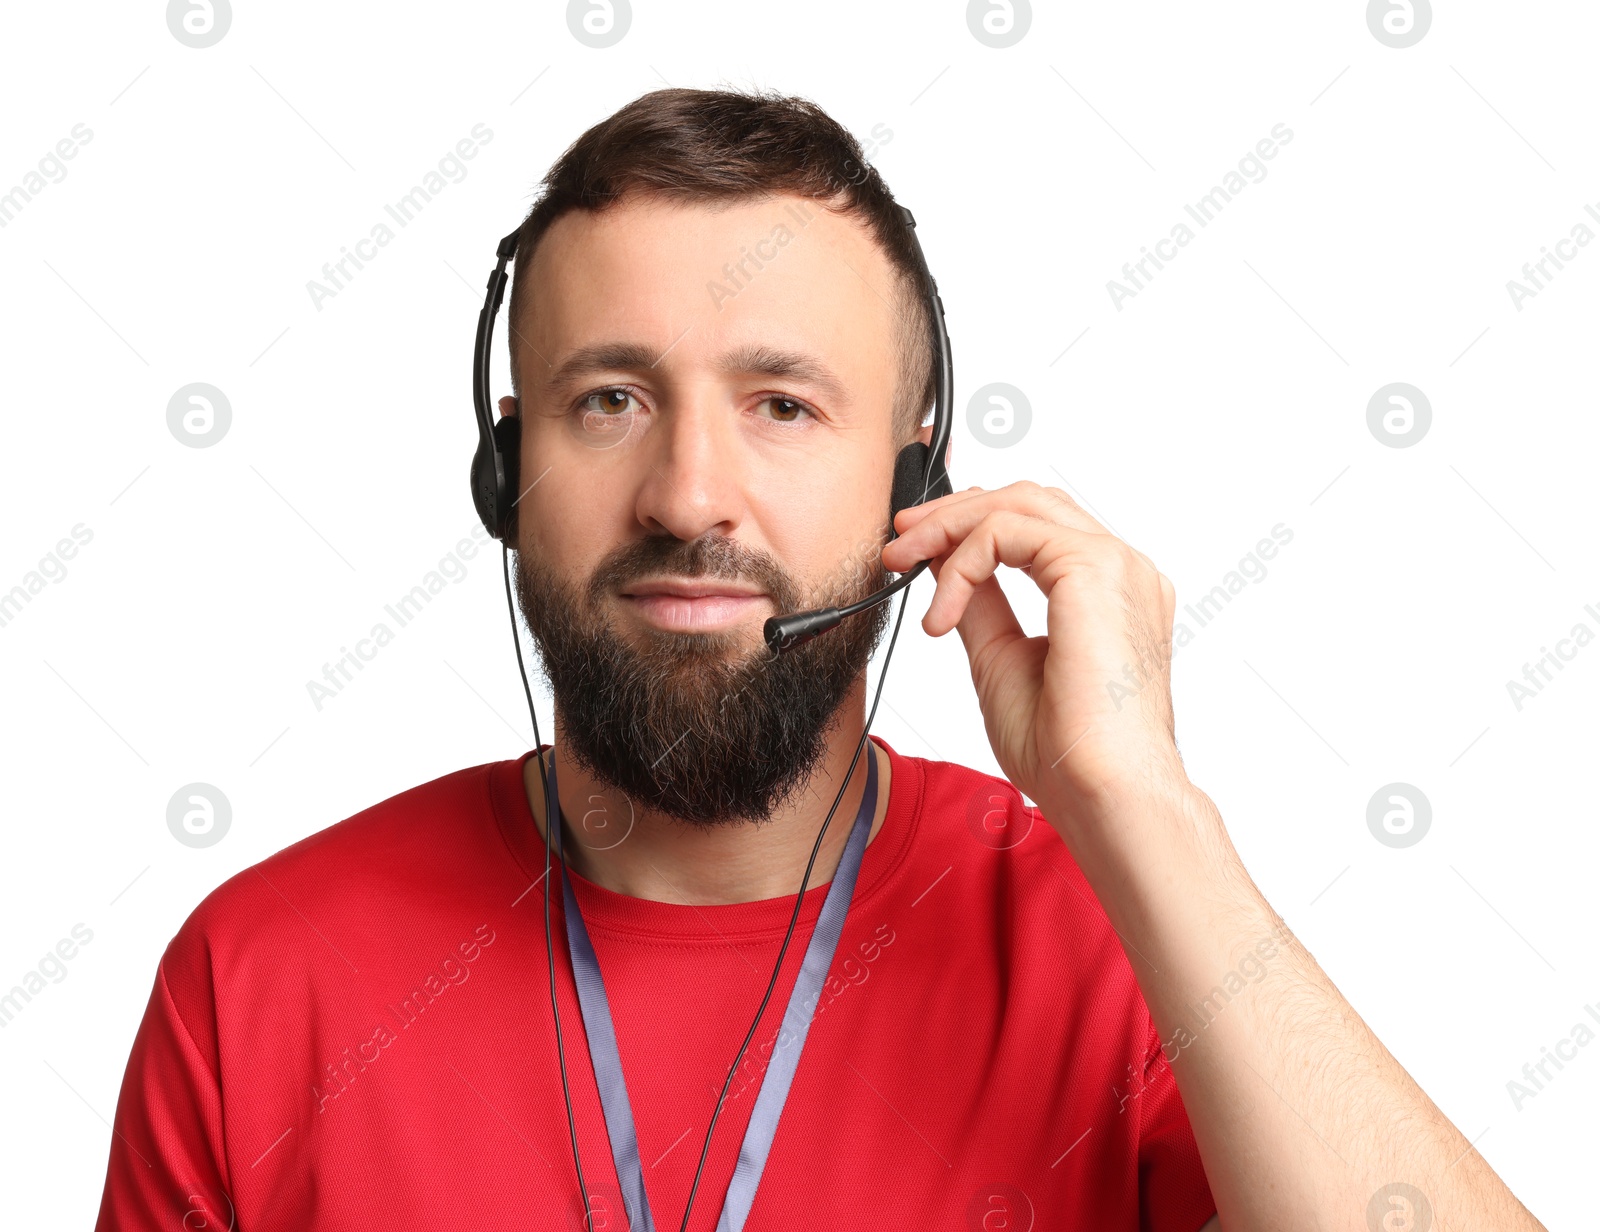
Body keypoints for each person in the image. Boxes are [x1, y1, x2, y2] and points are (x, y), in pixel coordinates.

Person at [95, 87, 1544, 1232]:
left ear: (915, 489)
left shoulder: (1130, 946)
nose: (687, 495)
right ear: (504, 465)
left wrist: (1145, 809)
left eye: (782, 404)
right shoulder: (258, 978)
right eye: (609, 399)